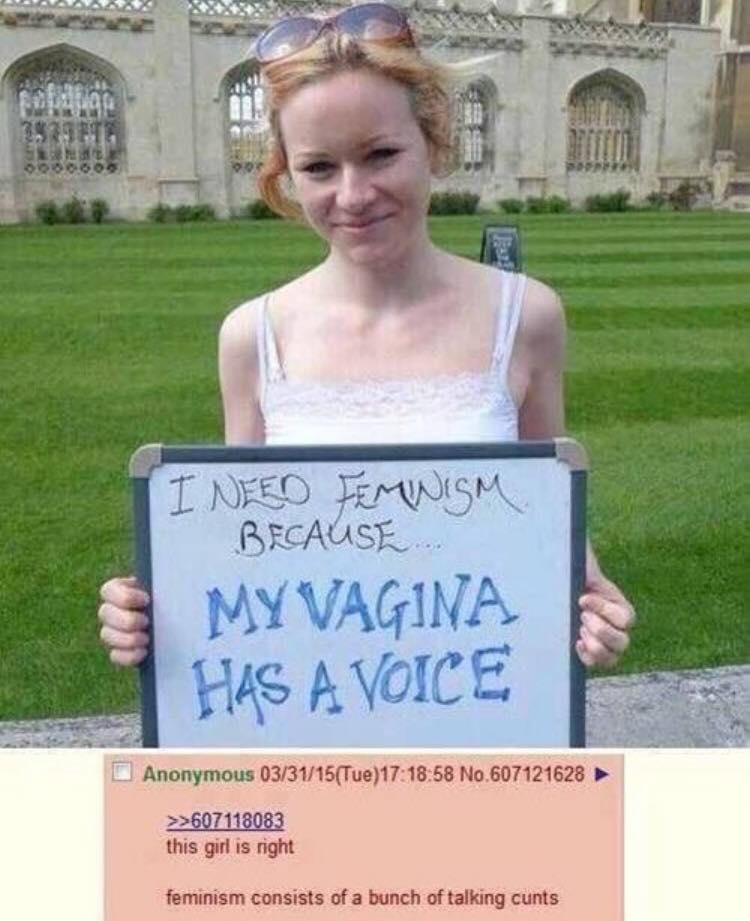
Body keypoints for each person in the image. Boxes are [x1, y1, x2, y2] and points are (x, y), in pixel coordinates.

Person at [98, 2, 634, 670]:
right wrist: (147, 610)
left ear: (434, 144)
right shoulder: (252, 337)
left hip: (476, 697)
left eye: (381, 154)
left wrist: (590, 599)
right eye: (319, 167)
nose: (353, 195)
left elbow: (550, 510)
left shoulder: (527, 316)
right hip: (316, 700)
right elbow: (243, 549)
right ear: (286, 173)